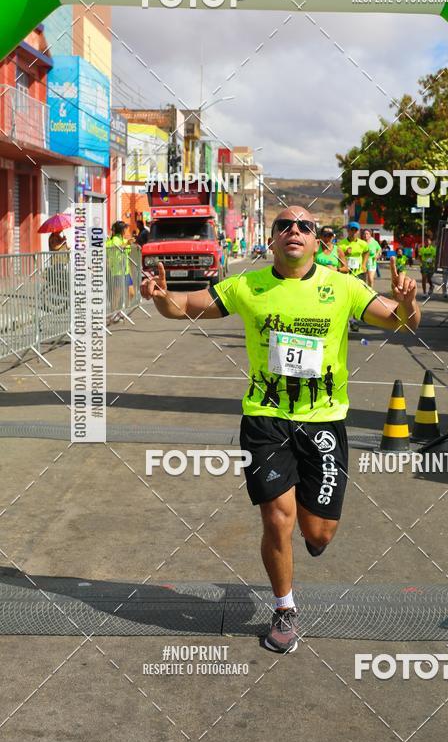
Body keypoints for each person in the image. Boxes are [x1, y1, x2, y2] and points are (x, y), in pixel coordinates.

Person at [141, 206, 419, 655]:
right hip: (265, 420)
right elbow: (183, 307)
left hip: (325, 422)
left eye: (304, 226)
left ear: (316, 241)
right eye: (283, 225)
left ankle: (312, 540)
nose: (293, 230)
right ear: (272, 239)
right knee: (277, 517)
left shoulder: (343, 286)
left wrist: (407, 302)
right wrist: (159, 295)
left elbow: (402, 322)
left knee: (318, 533)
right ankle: (285, 608)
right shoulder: (247, 285)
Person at [338, 222, 370, 332]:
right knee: (347, 297)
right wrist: (345, 253)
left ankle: (355, 321)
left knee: (357, 297)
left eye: (356, 230)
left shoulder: (362, 244)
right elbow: (338, 258)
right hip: (346, 274)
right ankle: (346, 320)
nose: (354, 232)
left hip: (359, 273)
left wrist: (364, 264)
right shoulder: (341, 244)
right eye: (352, 229)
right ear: (348, 230)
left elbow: (367, 252)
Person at [107, 221, 134, 320]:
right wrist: (127, 243)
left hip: (125, 271)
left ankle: (123, 311)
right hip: (118, 272)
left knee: (131, 293)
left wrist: (132, 245)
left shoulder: (122, 239)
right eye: (125, 229)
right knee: (117, 295)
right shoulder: (115, 239)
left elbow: (127, 251)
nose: (126, 231)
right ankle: (112, 314)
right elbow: (118, 248)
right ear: (121, 230)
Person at [419, 235, 437, 299]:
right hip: (424, 266)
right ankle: (424, 292)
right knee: (424, 278)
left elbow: (434, 257)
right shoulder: (422, 249)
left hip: (431, 266)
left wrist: (431, 261)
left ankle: (431, 286)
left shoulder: (433, 249)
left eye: (428, 240)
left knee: (429, 279)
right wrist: (422, 262)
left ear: (430, 242)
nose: (427, 242)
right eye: (426, 241)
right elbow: (420, 257)